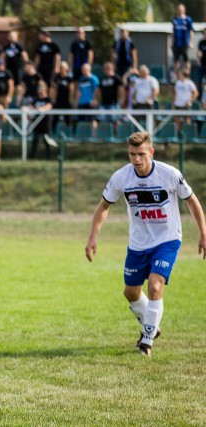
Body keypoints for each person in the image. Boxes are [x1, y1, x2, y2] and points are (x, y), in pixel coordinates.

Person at [85, 131, 206, 357]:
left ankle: (146, 341)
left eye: (141, 154)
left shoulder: (169, 174)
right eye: (132, 154)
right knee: (131, 292)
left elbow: (191, 201)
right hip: (138, 243)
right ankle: (153, 325)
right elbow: (103, 206)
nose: (136, 159)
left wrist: (203, 232)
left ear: (151, 152)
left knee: (155, 285)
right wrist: (93, 236)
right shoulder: (121, 177)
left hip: (167, 240)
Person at [171, 3, 194, 79]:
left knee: (186, 59)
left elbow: (191, 31)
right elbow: (173, 32)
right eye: (178, 10)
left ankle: (187, 74)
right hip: (176, 43)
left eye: (181, 9)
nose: (180, 11)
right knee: (176, 60)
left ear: (184, 10)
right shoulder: (174, 19)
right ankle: (176, 75)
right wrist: (171, 42)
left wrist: (191, 41)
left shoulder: (188, 19)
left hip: (185, 42)